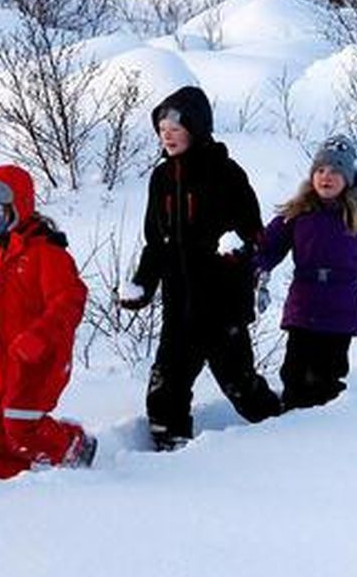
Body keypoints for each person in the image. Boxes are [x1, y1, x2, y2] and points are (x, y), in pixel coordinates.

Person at [116, 85, 282, 450]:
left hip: (222, 304)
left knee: (240, 385)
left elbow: (253, 233)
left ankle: (285, 431)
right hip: (179, 304)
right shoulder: (161, 179)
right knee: (166, 385)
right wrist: (142, 286)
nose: (167, 134)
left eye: (175, 126)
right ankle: (171, 449)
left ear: (197, 127)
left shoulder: (226, 173)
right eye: (161, 128)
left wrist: (236, 248)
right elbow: (155, 243)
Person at [0, 164, 96, 479]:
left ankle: (72, 445)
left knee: (21, 427)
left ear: (19, 205)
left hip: (36, 358)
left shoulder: (48, 254)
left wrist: (40, 336)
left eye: (0, 210)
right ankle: (7, 487)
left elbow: (70, 301)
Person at [253, 134, 357, 411]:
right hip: (303, 308)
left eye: (334, 171)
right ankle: (290, 423)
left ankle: (327, 428)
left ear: (348, 179)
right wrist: (260, 273)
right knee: (294, 371)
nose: (325, 177)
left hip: (340, 314)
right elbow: (266, 248)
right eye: (320, 170)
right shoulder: (296, 214)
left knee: (326, 375)